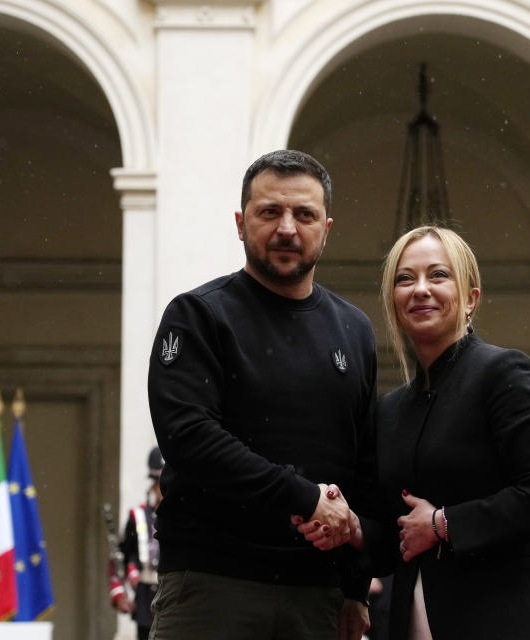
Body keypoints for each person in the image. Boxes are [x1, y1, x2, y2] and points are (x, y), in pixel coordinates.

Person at [147, 149, 377, 640]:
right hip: (211, 587)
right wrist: (304, 497)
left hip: (319, 597)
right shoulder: (198, 316)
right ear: (240, 222)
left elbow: (365, 464)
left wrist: (356, 588)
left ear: (327, 228)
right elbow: (190, 439)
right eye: (270, 212)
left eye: (304, 214)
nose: (287, 228)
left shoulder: (355, 330)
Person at [371, 225, 530, 639]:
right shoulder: (391, 410)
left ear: (470, 298)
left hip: (509, 622)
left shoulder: (503, 373)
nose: (421, 289)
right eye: (405, 279)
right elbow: (392, 526)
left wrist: (445, 523)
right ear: (393, 303)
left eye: (438, 275)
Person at [108, 446, 163, 640]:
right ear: (153, 485)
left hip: (174, 602)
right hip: (145, 602)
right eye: (160, 484)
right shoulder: (138, 517)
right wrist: (119, 595)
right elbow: (119, 559)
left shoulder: (186, 519)